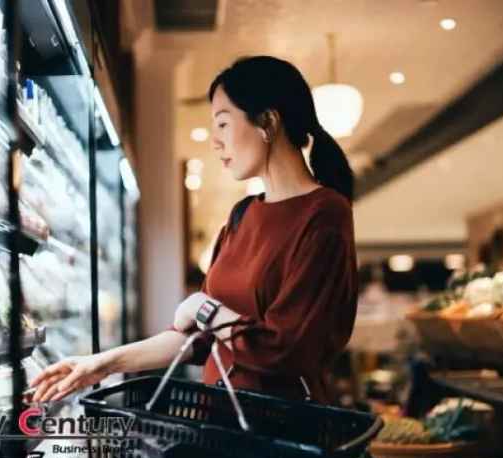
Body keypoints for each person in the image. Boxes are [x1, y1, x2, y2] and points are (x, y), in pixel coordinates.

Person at [30, 56, 358, 404]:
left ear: (268, 122)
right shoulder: (243, 214)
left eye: (223, 124)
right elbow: (195, 337)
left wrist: (205, 308)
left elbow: (287, 350)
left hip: (280, 439)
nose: (215, 142)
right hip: (223, 427)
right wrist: (101, 364)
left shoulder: (324, 214)